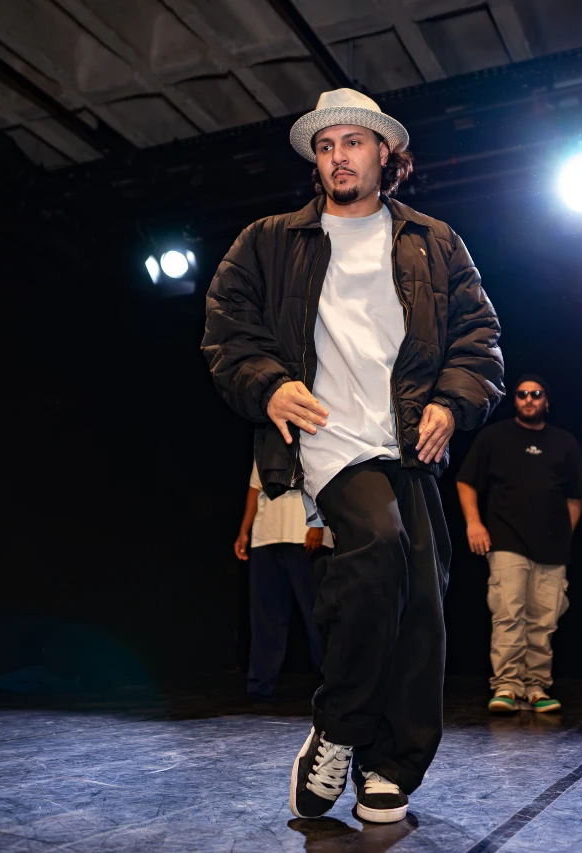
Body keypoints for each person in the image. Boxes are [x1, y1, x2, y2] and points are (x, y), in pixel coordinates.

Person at [202, 88, 503, 824]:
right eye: (325, 145)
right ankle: (339, 726)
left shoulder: (434, 240)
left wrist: (451, 402)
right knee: (376, 544)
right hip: (328, 437)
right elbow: (226, 327)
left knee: (422, 596)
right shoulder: (270, 239)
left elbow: (479, 338)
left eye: (353, 142)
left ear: (385, 155)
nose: (338, 156)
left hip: (407, 440)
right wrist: (269, 384)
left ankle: (387, 763)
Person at [455, 374, 582, 715]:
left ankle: (536, 687)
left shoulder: (564, 442)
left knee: (544, 620)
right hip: (507, 540)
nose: (529, 399)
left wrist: (565, 534)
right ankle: (507, 686)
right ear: (514, 399)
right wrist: (474, 523)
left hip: (552, 547)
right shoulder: (495, 437)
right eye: (522, 394)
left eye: (536, 394)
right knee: (509, 613)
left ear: (547, 401)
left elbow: (576, 496)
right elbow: (466, 480)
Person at [234, 459, 331, 703]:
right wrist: (244, 531)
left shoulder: (311, 438)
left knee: (318, 616)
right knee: (266, 617)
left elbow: (324, 480)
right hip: (266, 537)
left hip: (303, 535)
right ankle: (260, 687)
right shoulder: (264, 444)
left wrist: (318, 523)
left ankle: (332, 687)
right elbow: (255, 488)